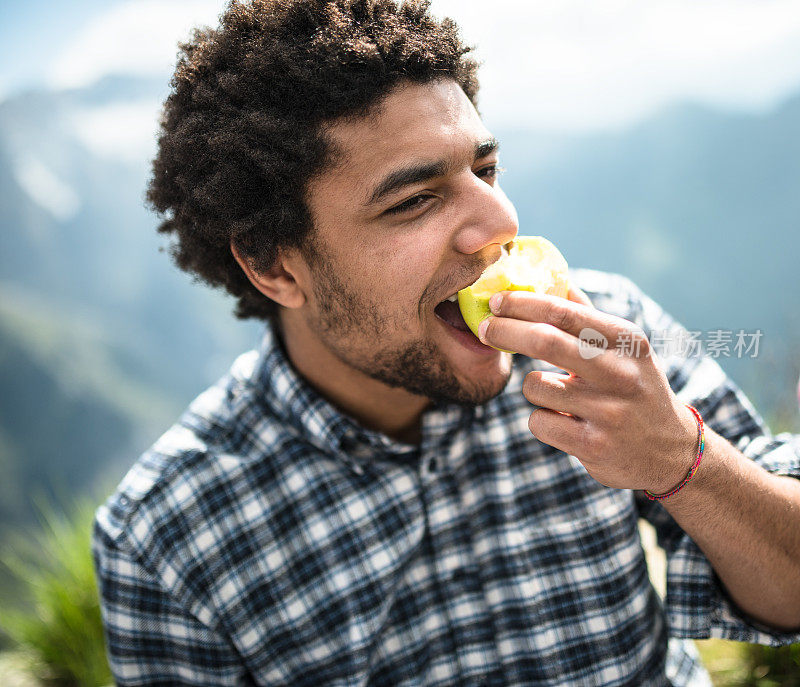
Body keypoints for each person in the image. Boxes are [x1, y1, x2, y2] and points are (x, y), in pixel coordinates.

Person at [91, 1, 800, 685]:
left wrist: (682, 457)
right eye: (413, 201)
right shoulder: (164, 536)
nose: (501, 219)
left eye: (485, 171)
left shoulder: (603, 334)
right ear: (275, 264)